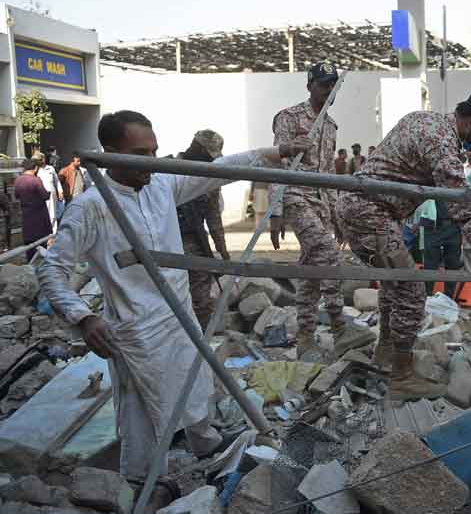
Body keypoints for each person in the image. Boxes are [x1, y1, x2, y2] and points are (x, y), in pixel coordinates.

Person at [37, 110, 311, 482]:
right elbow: (51, 269)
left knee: (194, 382)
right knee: (143, 411)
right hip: (135, 329)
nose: (151, 162)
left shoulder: (161, 184)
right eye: (140, 153)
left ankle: (206, 443)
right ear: (111, 152)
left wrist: (274, 153)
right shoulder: (92, 206)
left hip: (179, 315)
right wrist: (84, 317)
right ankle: (141, 486)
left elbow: (220, 168)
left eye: (154, 151)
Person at [338, 94, 471, 400]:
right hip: (369, 213)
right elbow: (460, 204)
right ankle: (402, 376)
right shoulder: (441, 141)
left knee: (394, 286)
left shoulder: (422, 119)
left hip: (369, 210)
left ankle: (386, 354)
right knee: (412, 290)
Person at [269, 62, 373, 360]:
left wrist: (337, 214)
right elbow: (278, 165)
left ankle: (305, 335)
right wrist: (276, 211)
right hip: (296, 197)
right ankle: (339, 326)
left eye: (333, 85)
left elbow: (328, 174)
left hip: (321, 203)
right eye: (323, 85)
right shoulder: (289, 118)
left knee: (311, 271)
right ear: (310, 86)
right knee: (329, 254)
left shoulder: (330, 127)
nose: (328, 91)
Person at [176, 130, 232, 331]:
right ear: (197, 148)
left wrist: (224, 253)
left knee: (200, 291)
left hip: (193, 239)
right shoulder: (168, 169)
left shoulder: (209, 178)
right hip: (164, 237)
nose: (211, 160)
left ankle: (199, 340)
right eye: (209, 154)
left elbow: (213, 218)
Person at [421, 199, 463, 299]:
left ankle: (449, 298)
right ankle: (427, 296)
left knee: (453, 263)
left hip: (453, 225)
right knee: (430, 264)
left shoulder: (460, 185)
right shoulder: (431, 184)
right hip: (432, 226)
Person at [14, 157, 51, 261]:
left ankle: (30, 263)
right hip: (39, 216)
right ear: (35, 168)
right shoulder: (36, 180)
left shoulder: (18, 180)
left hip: (26, 216)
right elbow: (45, 196)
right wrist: (49, 193)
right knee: (41, 243)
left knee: (29, 244)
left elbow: (16, 196)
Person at [34, 152, 62, 231]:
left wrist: (60, 191)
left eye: (41, 159)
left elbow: (57, 181)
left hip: (52, 196)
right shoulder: (35, 170)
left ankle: (53, 234)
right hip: (40, 196)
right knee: (42, 216)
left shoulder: (50, 168)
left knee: (53, 215)